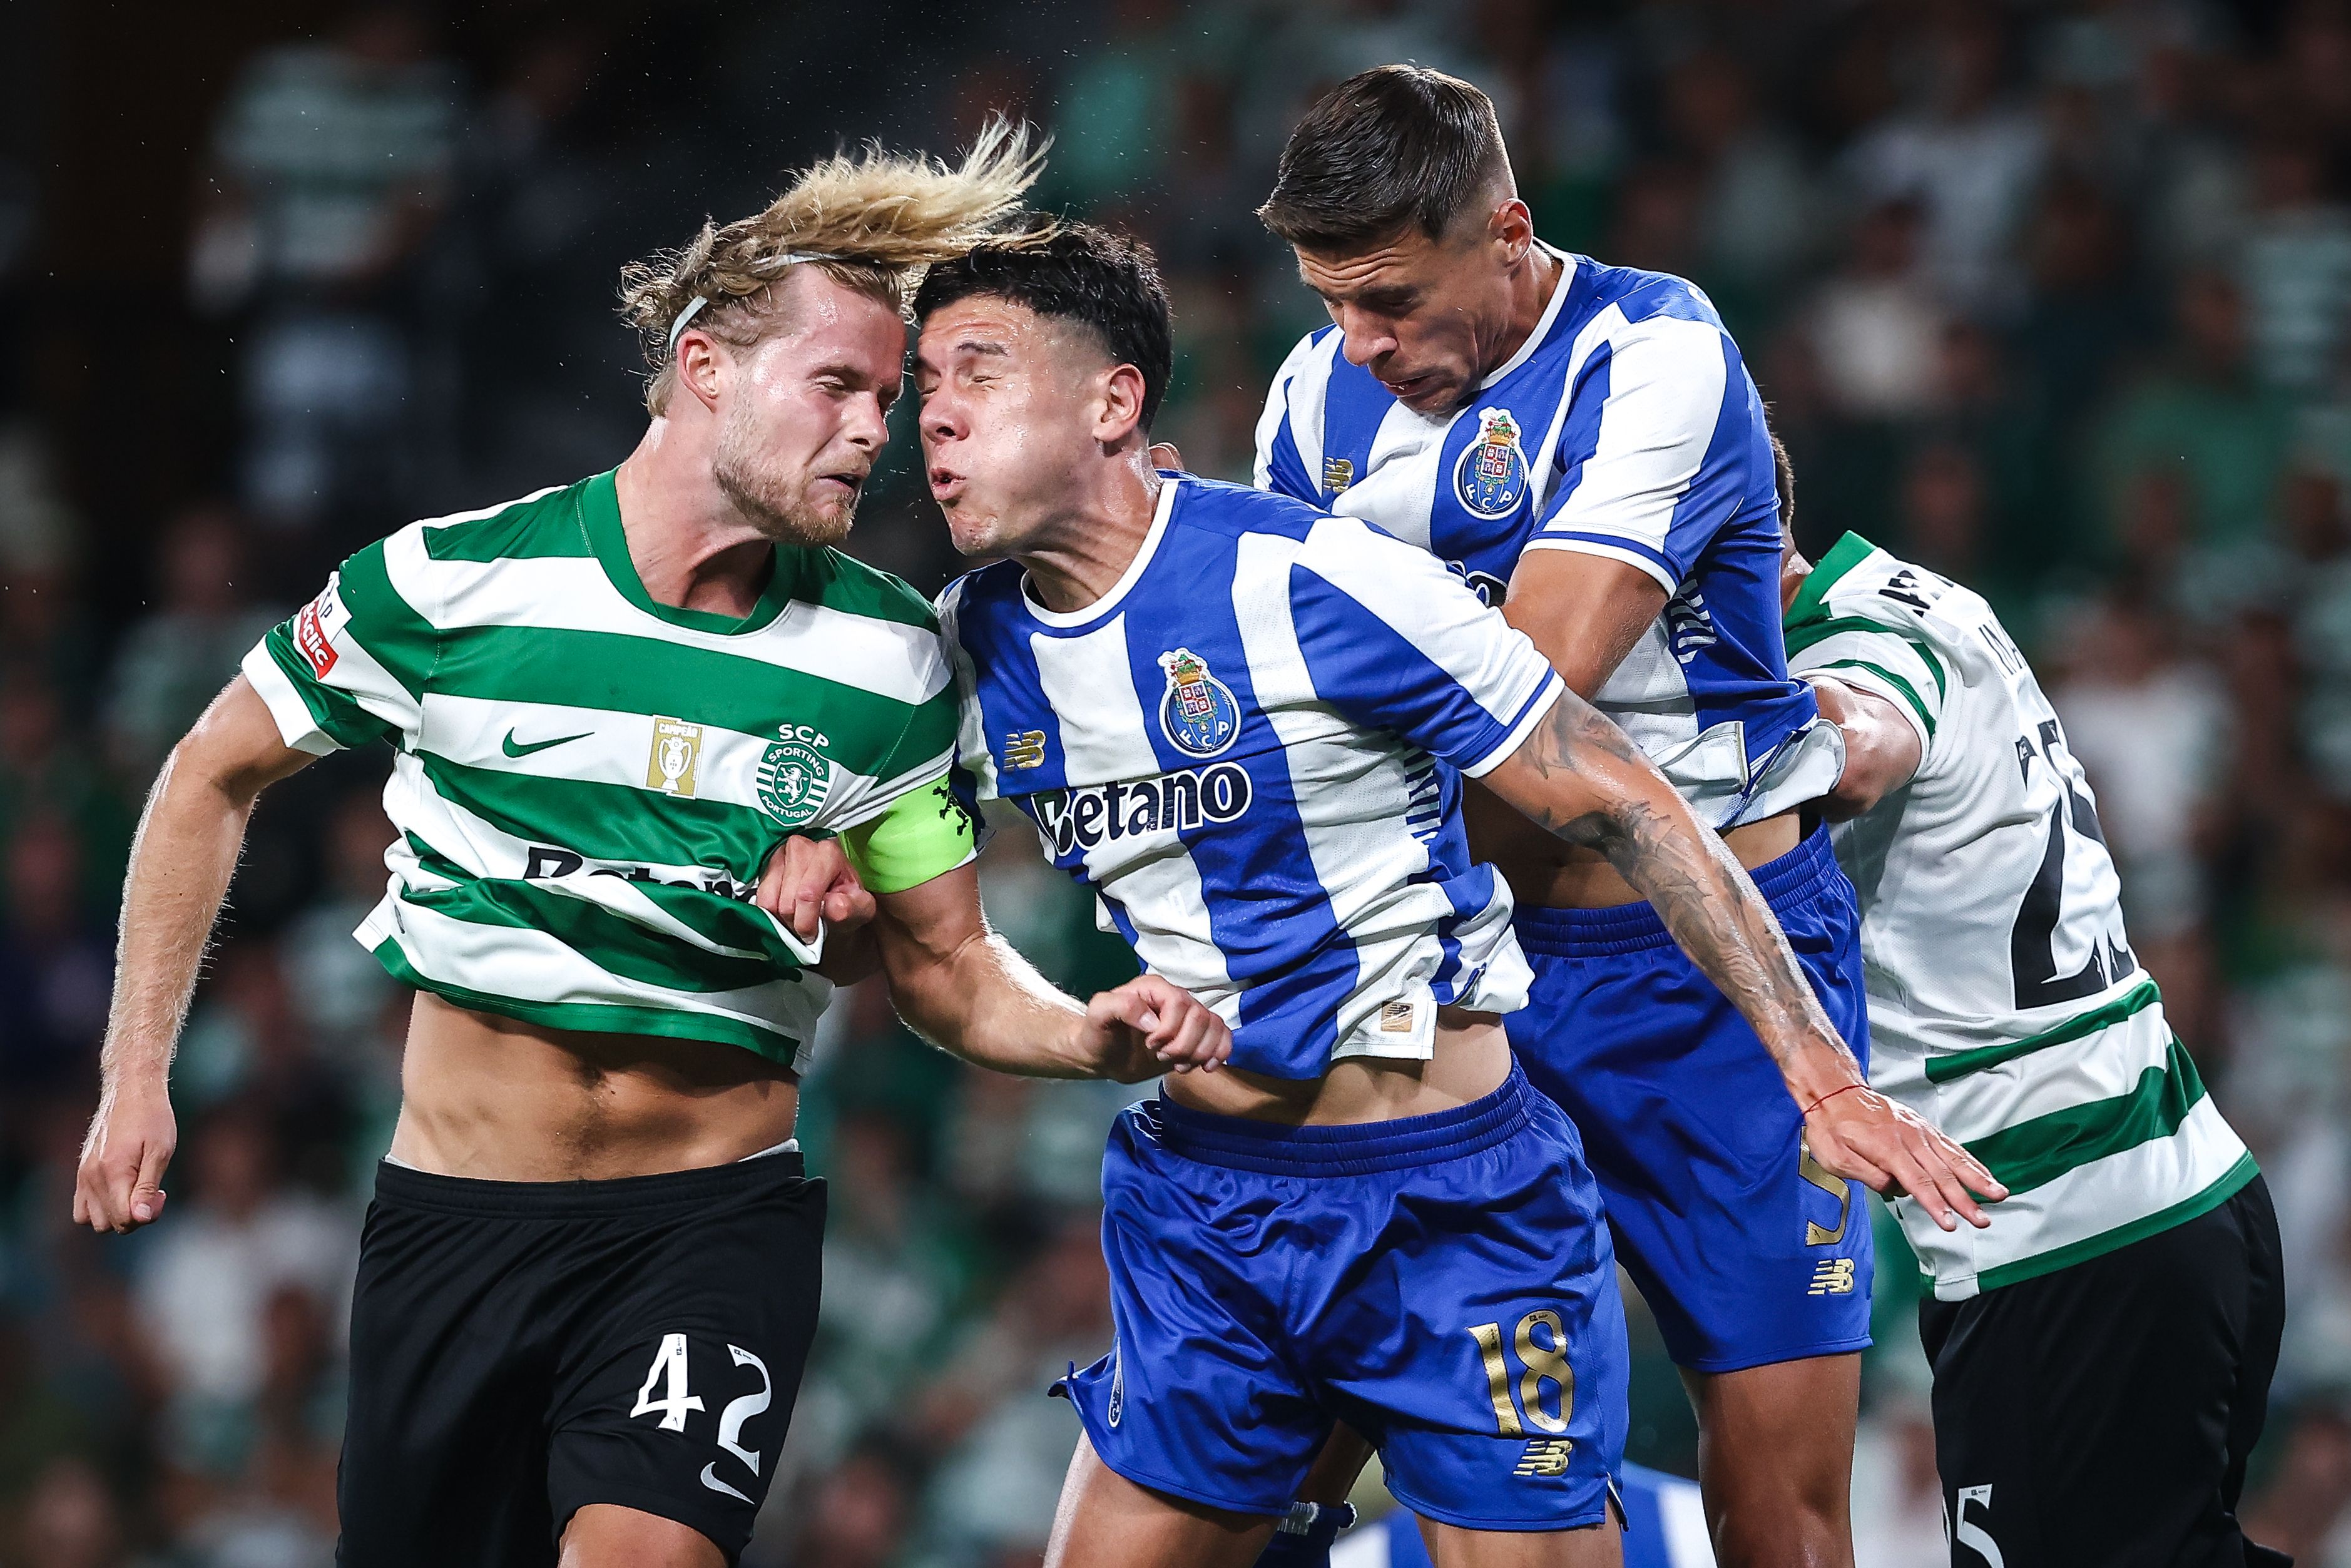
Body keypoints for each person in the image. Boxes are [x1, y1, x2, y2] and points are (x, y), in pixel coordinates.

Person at [72, 128, 1230, 1568]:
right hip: (454, 1226)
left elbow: (939, 960)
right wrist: (137, 1077)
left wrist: (1082, 1035)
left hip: (708, 1225)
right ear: (704, 368)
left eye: (892, 396)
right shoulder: (452, 581)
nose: (876, 431)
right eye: (840, 387)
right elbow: (205, 775)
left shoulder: (890, 662)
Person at [907, 222, 1996, 1567]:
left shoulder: (1313, 580)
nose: (934, 416)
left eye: (977, 371)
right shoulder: (960, 648)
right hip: (1207, 1201)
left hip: (1451, 1203)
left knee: (1766, 1494)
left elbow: (1626, 801)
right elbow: (909, 916)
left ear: (1114, 400)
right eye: (920, 387)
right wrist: (814, 860)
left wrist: (1820, 1073)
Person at [1251, 66, 1898, 1564]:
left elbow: (1531, 681)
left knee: (1778, 1507)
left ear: (1507, 230)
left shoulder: (1653, 351)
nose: (1362, 341)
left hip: (1715, 996)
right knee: (1294, 1456)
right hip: (1477, 980)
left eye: (1394, 299)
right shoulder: (1313, 387)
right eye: (1334, 300)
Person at [1781, 477, 2287, 1567]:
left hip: (2067, 1243)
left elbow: (1855, 737)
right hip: (2167, 1200)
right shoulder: (1932, 599)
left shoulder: (1846, 643)